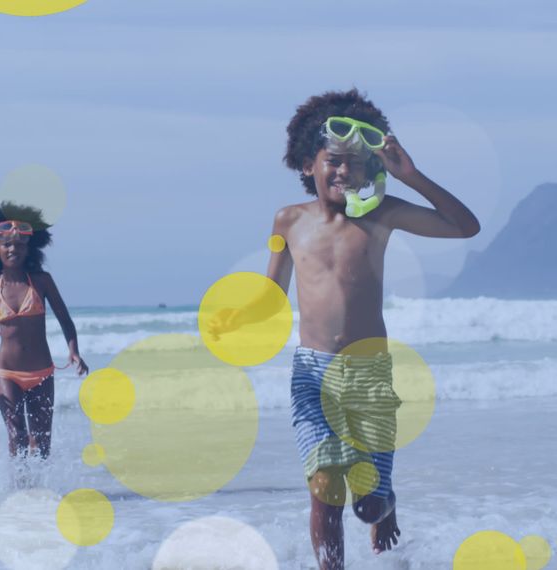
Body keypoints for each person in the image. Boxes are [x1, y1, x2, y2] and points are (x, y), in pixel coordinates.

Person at [210, 89, 479, 568]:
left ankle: (384, 506)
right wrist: (238, 319)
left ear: (369, 170)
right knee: (324, 485)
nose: (341, 171)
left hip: (368, 372)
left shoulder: (382, 214)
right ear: (309, 163)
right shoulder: (288, 220)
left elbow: (464, 228)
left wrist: (411, 175)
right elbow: (273, 291)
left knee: (368, 503)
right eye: (332, 160)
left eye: (354, 163)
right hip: (312, 374)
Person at [0, 201, 89, 460]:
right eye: (7, 244)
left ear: (29, 248)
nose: (13, 249)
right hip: (6, 373)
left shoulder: (42, 282)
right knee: (16, 436)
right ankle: (19, 490)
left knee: (41, 444)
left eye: (19, 244)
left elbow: (65, 319)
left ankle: (39, 491)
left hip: (42, 373)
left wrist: (74, 351)